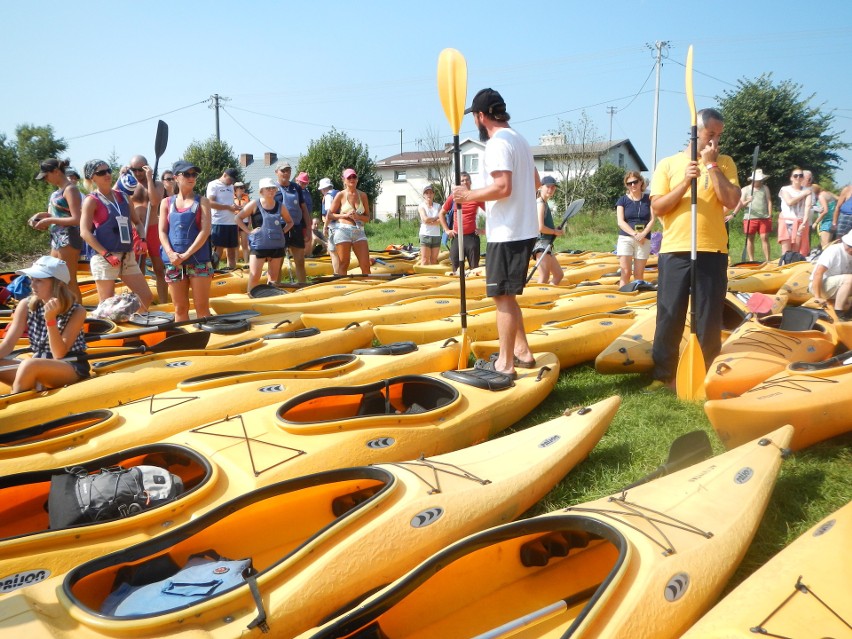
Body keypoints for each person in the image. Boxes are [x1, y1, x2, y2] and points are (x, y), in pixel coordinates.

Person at [646, 108, 741, 392]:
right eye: (711, 134)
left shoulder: (724, 163)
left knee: (709, 314)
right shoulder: (669, 164)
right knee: (670, 313)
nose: (715, 141)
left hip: (711, 250)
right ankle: (664, 374)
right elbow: (658, 206)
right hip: (675, 249)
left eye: (719, 135)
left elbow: (730, 200)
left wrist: (710, 167)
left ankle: (706, 372)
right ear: (695, 131)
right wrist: (686, 181)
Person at [452, 88, 539, 378]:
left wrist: (469, 195)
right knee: (509, 296)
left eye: (474, 117)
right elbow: (535, 181)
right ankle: (522, 351)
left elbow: (503, 187)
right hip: (520, 228)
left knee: (502, 298)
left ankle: (505, 363)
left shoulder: (498, 143)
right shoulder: (520, 140)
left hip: (509, 232)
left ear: (480, 116)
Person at [0, 256, 89, 393]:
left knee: (30, 364)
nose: (32, 285)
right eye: (32, 279)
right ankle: (34, 383)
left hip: (69, 365)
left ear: (58, 283)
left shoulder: (77, 311)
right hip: (38, 362)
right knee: (29, 364)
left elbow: (59, 354)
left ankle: (15, 405)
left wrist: (50, 320)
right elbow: (8, 344)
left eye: (39, 281)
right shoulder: (25, 305)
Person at [79, 159, 153, 310]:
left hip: (127, 255)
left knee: (145, 296)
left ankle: (132, 325)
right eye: (101, 172)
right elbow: (84, 232)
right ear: (92, 177)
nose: (107, 174)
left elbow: (137, 222)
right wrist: (106, 255)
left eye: (108, 171)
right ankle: (110, 330)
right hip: (104, 257)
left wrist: (142, 239)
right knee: (107, 305)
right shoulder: (91, 200)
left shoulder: (124, 197)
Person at [158, 160, 213, 321]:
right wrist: (170, 253)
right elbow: (162, 231)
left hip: (198, 260)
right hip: (174, 262)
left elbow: (205, 230)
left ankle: (207, 341)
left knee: (202, 307)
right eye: (187, 174)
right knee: (180, 308)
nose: (191, 177)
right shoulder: (166, 203)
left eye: (194, 174)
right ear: (176, 177)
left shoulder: (203, 201)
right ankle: (182, 340)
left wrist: (187, 254)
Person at [28, 158, 84, 302]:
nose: (45, 179)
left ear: (56, 172)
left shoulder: (70, 189)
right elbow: (52, 215)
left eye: (46, 175)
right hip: (56, 239)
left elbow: (77, 219)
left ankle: (79, 317)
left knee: (69, 280)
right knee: (53, 278)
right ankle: (61, 312)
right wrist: (38, 217)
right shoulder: (55, 194)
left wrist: (50, 220)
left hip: (69, 238)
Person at [235, 177, 294, 291]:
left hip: (276, 245)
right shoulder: (254, 204)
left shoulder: (280, 206)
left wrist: (282, 231)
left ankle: (269, 299)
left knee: (273, 279)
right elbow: (238, 218)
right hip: (259, 245)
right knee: (255, 276)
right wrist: (248, 232)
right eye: (268, 189)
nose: (271, 191)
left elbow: (290, 222)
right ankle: (251, 298)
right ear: (261, 191)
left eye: (273, 188)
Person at [124, 155, 168, 305]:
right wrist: (120, 177)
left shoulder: (157, 184)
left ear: (147, 167)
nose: (137, 173)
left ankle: (163, 302)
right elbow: (113, 195)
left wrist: (149, 179)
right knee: (137, 269)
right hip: (136, 230)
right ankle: (140, 303)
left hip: (153, 228)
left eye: (140, 169)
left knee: (159, 268)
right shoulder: (128, 184)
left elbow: (155, 201)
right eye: (133, 170)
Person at [274, 162, 312, 282]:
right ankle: (276, 288)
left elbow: (304, 209)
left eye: (288, 171)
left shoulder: (296, 188)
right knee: (277, 262)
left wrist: (309, 230)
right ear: (277, 172)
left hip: (296, 227)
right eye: (283, 171)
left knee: (300, 261)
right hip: (279, 227)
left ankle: (302, 286)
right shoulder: (272, 188)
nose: (286, 173)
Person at [328, 168, 371, 275]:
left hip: (359, 231)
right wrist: (345, 215)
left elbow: (368, 218)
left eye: (354, 177)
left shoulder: (363, 195)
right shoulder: (341, 195)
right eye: (349, 177)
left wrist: (358, 217)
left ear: (357, 179)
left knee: (365, 265)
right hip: (343, 230)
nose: (352, 179)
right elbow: (330, 214)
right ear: (344, 180)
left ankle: (368, 285)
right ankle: (342, 287)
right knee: (344, 263)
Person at [615, 171, 654, 287]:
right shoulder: (622, 200)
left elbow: (652, 219)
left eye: (635, 182)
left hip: (644, 239)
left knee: (638, 274)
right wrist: (635, 234)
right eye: (629, 183)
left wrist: (643, 234)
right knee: (625, 272)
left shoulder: (649, 199)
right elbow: (620, 222)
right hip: (626, 238)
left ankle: (637, 298)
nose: (633, 185)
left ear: (641, 182)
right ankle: (622, 296)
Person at [440, 171, 484, 274]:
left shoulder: (476, 196)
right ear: (459, 184)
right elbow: (441, 214)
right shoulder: (453, 197)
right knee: (456, 268)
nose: (465, 182)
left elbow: (491, 213)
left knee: (474, 269)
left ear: (470, 182)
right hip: (457, 237)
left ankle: (473, 287)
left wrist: (483, 230)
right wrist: (447, 230)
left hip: (471, 237)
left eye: (467, 180)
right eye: (462, 180)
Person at [730, 168, 772, 261]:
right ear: (753, 180)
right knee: (750, 238)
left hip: (764, 217)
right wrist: (748, 201)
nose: (759, 181)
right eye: (757, 180)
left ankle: (768, 259)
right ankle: (751, 259)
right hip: (750, 217)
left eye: (761, 180)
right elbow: (740, 204)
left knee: (764, 237)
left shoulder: (765, 188)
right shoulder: (745, 190)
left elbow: (769, 201)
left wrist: (770, 214)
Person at [808, 231, 852, 319]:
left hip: (840, 286)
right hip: (820, 286)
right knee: (850, 279)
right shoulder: (834, 250)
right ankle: (838, 312)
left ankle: (849, 312)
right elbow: (818, 273)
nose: (851, 250)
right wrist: (817, 297)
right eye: (849, 246)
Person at [531, 175, 564, 285]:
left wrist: (554, 230)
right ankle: (538, 300)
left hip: (546, 244)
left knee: (559, 275)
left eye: (553, 187)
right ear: (540, 187)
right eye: (548, 186)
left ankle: (546, 296)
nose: (551, 189)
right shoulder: (540, 203)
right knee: (544, 277)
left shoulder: (544, 203)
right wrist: (554, 232)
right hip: (541, 245)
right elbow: (540, 227)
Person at [207, 168, 241, 269]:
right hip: (219, 222)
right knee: (218, 249)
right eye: (230, 179)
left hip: (232, 222)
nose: (231, 182)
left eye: (233, 180)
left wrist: (236, 207)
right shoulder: (213, 184)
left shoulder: (230, 186)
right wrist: (228, 207)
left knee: (231, 250)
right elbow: (210, 203)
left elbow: (228, 202)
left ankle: (231, 270)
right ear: (225, 175)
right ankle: (213, 271)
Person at [778, 167, 812, 256]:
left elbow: (807, 206)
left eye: (801, 175)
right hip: (787, 221)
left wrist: (804, 222)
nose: (798, 177)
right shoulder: (785, 189)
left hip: (800, 222)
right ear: (791, 178)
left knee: (797, 250)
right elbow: (789, 202)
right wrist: (803, 194)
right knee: (786, 250)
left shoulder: (807, 190)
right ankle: (784, 266)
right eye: (795, 175)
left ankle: (794, 267)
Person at [318, 177, 340, 272]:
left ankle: (337, 273)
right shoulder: (338, 193)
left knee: (333, 251)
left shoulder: (328, 196)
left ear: (323, 189)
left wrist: (325, 226)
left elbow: (329, 214)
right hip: (343, 225)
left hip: (334, 226)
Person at [418, 185, 442, 265]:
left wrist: (430, 221)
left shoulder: (438, 206)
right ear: (424, 195)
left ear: (433, 194)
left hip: (436, 235)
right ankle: (423, 276)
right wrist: (436, 218)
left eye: (431, 193)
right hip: (425, 235)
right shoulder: (421, 206)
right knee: (425, 259)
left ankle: (433, 276)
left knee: (434, 259)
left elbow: (441, 220)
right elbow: (425, 219)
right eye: (427, 193)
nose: (429, 195)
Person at [233, 182, 250, 262]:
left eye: (243, 188)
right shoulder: (231, 198)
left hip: (244, 222)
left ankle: (246, 262)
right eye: (240, 188)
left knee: (244, 243)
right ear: (235, 189)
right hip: (234, 222)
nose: (242, 189)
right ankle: (235, 262)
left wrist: (250, 223)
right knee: (236, 244)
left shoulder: (246, 197)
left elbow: (249, 210)